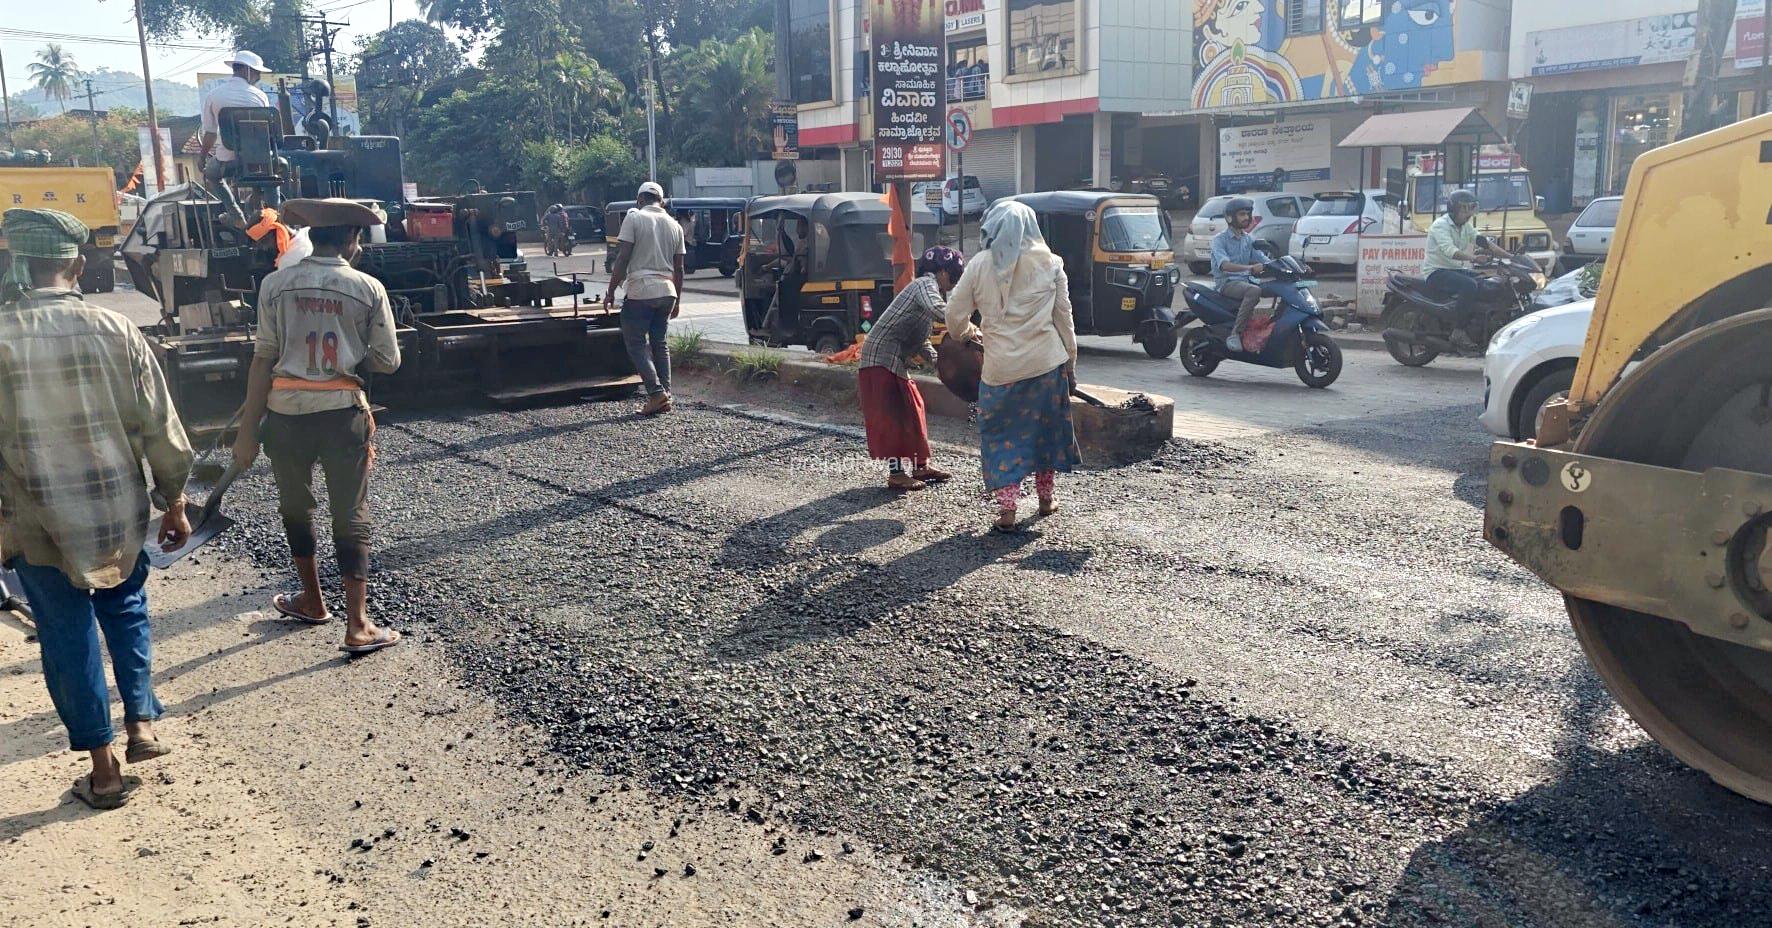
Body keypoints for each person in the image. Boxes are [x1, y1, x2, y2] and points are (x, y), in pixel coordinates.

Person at [0, 208, 194, 809]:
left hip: (36, 520)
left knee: (66, 632)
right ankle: (141, 723)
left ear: (16, 264)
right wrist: (174, 499)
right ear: (78, 265)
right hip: (116, 511)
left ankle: (104, 772)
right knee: (126, 606)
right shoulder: (117, 329)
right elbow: (161, 426)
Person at [232, 198, 402, 655]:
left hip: (285, 416)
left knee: (296, 507)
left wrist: (246, 433)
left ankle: (311, 600)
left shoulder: (275, 284)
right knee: (350, 513)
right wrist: (350, 353)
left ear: (313, 237)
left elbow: (262, 360)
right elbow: (388, 360)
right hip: (343, 414)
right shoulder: (367, 288)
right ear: (351, 240)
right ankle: (357, 624)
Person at [944, 201, 1079, 533]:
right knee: (1045, 433)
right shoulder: (1051, 263)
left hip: (1000, 370)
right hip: (1046, 367)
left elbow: (954, 315)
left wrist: (966, 333)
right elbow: (1064, 319)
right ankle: (1046, 499)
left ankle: (1007, 510)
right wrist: (1071, 364)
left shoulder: (979, 264)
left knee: (1003, 437)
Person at [858, 246, 963, 491]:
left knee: (914, 409)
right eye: (954, 276)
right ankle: (896, 474)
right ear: (942, 271)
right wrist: (965, 324)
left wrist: (937, 361)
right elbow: (939, 310)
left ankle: (920, 466)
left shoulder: (926, 290)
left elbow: (921, 340)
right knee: (894, 415)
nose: (955, 282)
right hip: (880, 358)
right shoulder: (925, 285)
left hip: (892, 359)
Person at [603, 181, 686, 416]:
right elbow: (679, 269)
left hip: (641, 291)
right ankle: (666, 396)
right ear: (662, 201)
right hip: (667, 292)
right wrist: (677, 300)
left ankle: (656, 393)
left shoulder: (634, 217)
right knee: (660, 343)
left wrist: (611, 291)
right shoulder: (675, 225)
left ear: (639, 200)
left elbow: (623, 258)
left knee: (636, 342)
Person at [1425, 188, 1511, 347]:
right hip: (1436, 272)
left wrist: (1510, 256)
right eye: (1465, 210)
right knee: (1469, 285)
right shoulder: (1440, 226)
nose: (1469, 214)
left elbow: (1483, 242)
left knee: (1485, 281)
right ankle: (1458, 331)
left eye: (1470, 209)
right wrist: (1474, 258)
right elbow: (1450, 251)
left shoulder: (1465, 226)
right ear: (1455, 209)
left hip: (1454, 270)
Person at [198, 51, 271, 225]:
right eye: (257, 72)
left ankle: (235, 214)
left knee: (211, 174)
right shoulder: (260, 96)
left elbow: (210, 133)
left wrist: (202, 158)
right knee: (272, 176)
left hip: (228, 160)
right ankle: (275, 214)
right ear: (247, 70)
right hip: (259, 161)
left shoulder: (214, 95)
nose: (259, 77)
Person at [1210, 197, 1269, 352]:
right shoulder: (1219, 240)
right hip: (1227, 283)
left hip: (1245, 281)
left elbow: (1263, 259)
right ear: (1230, 218)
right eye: (1242, 214)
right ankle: (1235, 333)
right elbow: (1225, 265)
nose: (1246, 217)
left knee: (1274, 288)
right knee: (1254, 291)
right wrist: (1250, 268)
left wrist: (1288, 265)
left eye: (1247, 214)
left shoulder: (1247, 239)